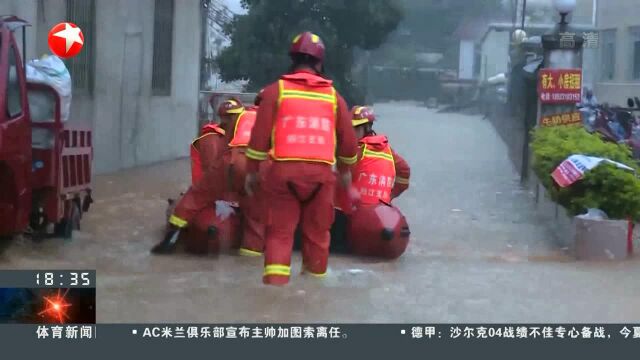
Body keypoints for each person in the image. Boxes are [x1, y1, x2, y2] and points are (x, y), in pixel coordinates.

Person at [244, 31, 358, 285]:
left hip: (283, 175)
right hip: (321, 178)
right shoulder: (333, 97)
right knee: (318, 236)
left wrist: (252, 172)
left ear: (293, 59)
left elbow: (258, 141)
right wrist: (346, 174)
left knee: (280, 236)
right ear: (320, 63)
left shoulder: (276, 91)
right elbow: (349, 145)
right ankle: (314, 295)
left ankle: (274, 295)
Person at [150, 99, 245, 255]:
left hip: (229, 191)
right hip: (216, 192)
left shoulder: (238, 137)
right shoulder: (212, 138)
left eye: (235, 117)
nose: (235, 120)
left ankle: (172, 238)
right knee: (190, 204)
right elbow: (211, 173)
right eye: (232, 117)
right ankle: (173, 237)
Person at [335, 106, 411, 259]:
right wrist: (391, 194)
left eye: (353, 130)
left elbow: (343, 178)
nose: (350, 135)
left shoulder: (356, 151)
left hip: (354, 218)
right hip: (379, 214)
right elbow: (405, 171)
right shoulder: (388, 151)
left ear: (365, 128)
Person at [226, 91, 270, 257]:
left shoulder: (243, 115)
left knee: (244, 204)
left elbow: (228, 143)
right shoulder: (274, 118)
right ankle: (251, 256)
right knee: (257, 214)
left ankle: (235, 240)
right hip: (256, 164)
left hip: (235, 161)